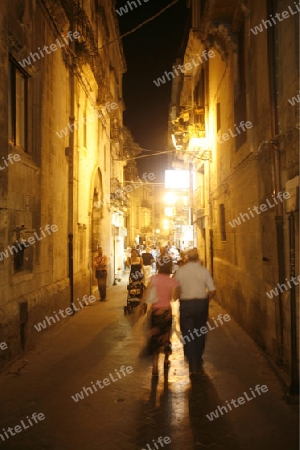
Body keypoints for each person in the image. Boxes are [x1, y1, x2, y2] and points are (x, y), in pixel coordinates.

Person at [175, 248, 216, 378]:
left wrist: (177, 297)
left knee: (188, 333)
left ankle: (193, 363)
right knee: (200, 331)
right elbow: (212, 290)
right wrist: (205, 300)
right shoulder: (204, 271)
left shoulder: (180, 271)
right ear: (198, 257)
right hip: (201, 304)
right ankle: (198, 358)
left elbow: (176, 290)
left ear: (187, 258)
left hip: (186, 304)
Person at [142, 259, 179, 377]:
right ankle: (166, 359)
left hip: (155, 312)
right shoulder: (172, 281)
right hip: (167, 312)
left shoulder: (153, 278)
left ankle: (154, 366)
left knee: (155, 337)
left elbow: (146, 293)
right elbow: (174, 298)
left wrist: (141, 305)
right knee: (166, 336)